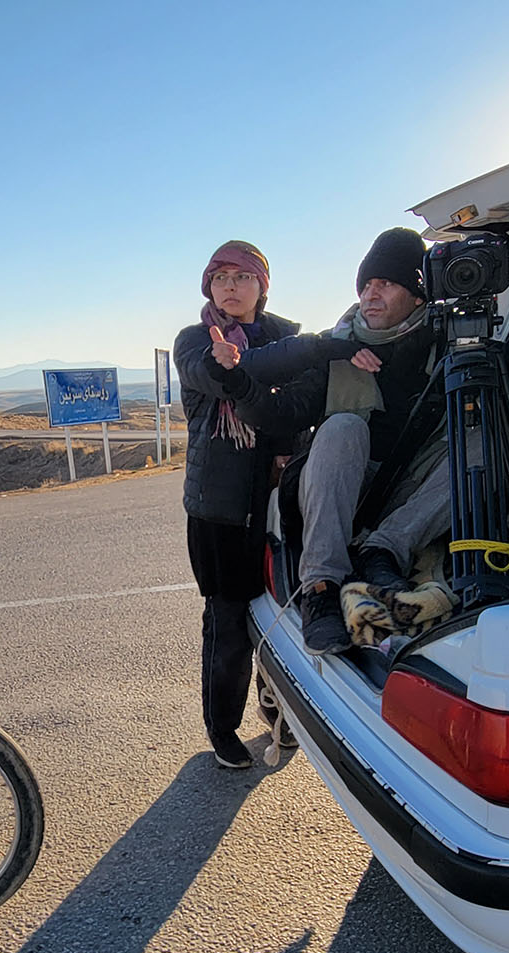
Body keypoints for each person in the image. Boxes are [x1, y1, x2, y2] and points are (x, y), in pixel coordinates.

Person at [205, 228, 509, 654]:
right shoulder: (338, 348)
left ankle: (383, 552)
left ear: (418, 295)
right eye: (365, 285)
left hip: (407, 495)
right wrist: (234, 381)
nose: (370, 294)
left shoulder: (451, 342)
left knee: (487, 436)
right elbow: (279, 412)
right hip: (342, 490)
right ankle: (321, 588)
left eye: (385, 283)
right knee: (343, 427)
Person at [172, 241, 369, 767]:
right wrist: (329, 345)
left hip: (285, 503)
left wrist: (332, 349)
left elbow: (291, 411)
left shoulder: (289, 337)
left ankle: (276, 702)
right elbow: (230, 374)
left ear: (263, 284)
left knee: (282, 614)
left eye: (242, 277)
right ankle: (222, 726)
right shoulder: (195, 341)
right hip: (220, 508)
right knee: (229, 619)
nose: (230, 287)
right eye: (220, 278)